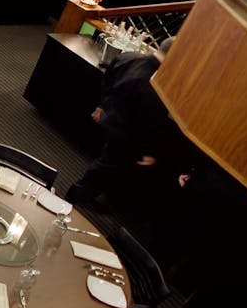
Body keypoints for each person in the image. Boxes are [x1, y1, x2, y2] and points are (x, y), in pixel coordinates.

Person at [67, 37, 183, 210]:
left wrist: (101, 106)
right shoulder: (156, 84)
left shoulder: (129, 57)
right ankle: (79, 193)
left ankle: (91, 191)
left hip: (110, 117)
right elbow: (149, 124)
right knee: (108, 163)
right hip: (125, 131)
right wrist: (148, 152)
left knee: (108, 160)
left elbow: (107, 81)